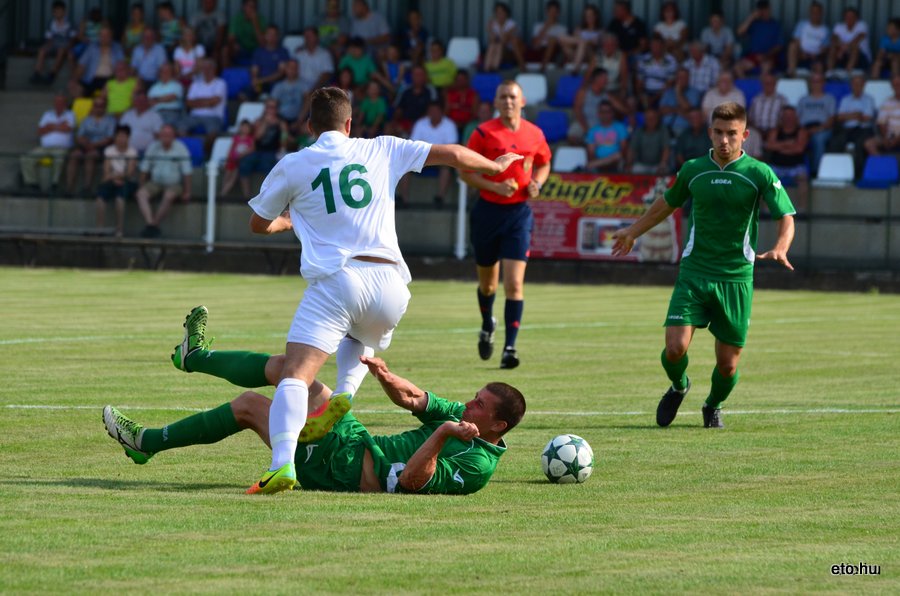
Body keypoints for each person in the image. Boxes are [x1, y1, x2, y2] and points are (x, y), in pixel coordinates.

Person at [242, 86, 524, 494]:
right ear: (349, 123)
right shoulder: (382, 147)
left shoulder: (294, 164)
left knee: (296, 374)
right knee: (360, 338)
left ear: (309, 125)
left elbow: (257, 223)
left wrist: (289, 221)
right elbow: (453, 154)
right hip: (391, 284)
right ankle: (344, 393)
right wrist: (494, 167)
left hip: (340, 278)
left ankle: (282, 464)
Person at [103, 339, 526, 495]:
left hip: (342, 469)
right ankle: (195, 357)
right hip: (355, 438)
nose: (468, 405)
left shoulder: (477, 466)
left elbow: (413, 481)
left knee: (249, 406)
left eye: (479, 404)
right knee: (292, 368)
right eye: (474, 397)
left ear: (498, 426)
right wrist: (384, 375)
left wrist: (444, 434)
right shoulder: (462, 416)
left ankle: (146, 442)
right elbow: (414, 398)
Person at [611, 101, 795, 429]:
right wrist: (632, 231)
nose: (725, 140)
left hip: (736, 278)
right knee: (674, 348)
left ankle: (713, 405)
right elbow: (666, 204)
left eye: (732, 134)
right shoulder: (693, 169)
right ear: (710, 132)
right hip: (694, 273)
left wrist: (781, 246)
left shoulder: (759, 173)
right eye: (719, 132)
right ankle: (679, 385)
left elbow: (786, 216)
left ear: (745, 135)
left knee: (727, 365)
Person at [460, 80, 552, 370]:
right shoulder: (483, 132)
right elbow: (465, 172)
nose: (508, 101)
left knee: (514, 284)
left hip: (519, 215)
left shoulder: (535, 133)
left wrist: (537, 183)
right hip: (487, 213)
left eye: (513, 97)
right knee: (488, 284)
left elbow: (544, 163)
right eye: (503, 97)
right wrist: (495, 187)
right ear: (496, 102)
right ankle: (487, 324)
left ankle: (509, 348)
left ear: (522, 101)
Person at [135, 124, 192, 238]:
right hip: (155, 182)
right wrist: (141, 185)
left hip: (174, 184)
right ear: (159, 136)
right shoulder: (153, 147)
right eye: (163, 134)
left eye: (168, 134)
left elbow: (187, 172)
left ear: (173, 136)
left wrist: (187, 192)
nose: (166, 137)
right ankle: (150, 224)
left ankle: (154, 224)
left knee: (169, 195)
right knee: (140, 194)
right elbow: (144, 169)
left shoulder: (181, 148)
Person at [403, 101, 459, 208]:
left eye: (436, 111)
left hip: (442, 158)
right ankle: (404, 199)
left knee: (446, 167)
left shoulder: (450, 125)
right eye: (431, 111)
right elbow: (412, 145)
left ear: (441, 112)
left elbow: (452, 148)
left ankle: (440, 197)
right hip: (421, 157)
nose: (433, 113)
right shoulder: (420, 123)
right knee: (404, 165)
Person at [20, 94, 74, 192]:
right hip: (44, 147)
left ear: (65, 104)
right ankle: (32, 184)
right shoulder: (47, 114)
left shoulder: (70, 114)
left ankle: (54, 185)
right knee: (26, 159)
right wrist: (59, 126)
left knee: (59, 160)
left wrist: (50, 126)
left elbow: (67, 129)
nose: (58, 104)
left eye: (61, 103)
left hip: (61, 148)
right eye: (57, 102)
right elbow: (40, 131)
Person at [237, 99, 287, 198]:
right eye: (268, 107)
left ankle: (265, 197)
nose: (269, 110)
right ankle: (246, 196)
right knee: (244, 164)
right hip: (257, 151)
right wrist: (265, 123)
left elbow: (284, 140)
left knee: (268, 165)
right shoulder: (258, 121)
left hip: (272, 152)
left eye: (272, 107)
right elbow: (257, 137)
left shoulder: (281, 123)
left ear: (276, 109)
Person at [828, 73, 876, 175]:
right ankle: (835, 172)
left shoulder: (869, 99)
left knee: (860, 144)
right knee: (835, 142)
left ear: (863, 85)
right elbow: (839, 118)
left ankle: (859, 174)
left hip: (864, 130)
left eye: (859, 84)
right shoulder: (845, 99)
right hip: (847, 130)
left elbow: (867, 118)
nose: (857, 86)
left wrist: (848, 116)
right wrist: (856, 115)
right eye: (854, 84)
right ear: (851, 85)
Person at [65, 96, 115, 194]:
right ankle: (69, 188)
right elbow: (79, 136)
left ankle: (87, 188)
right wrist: (85, 143)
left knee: (90, 156)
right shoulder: (86, 119)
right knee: (74, 155)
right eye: (96, 105)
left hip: (102, 147)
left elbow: (109, 138)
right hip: (86, 145)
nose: (98, 108)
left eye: (101, 106)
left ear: (105, 107)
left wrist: (94, 145)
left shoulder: (110, 120)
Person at [764, 106, 809, 211]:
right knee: (766, 180)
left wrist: (779, 147)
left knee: (803, 180)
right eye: (786, 115)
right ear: (781, 117)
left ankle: (802, 210)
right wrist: (788, 144)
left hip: (796, 166)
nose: (788, 118)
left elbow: (799, 149)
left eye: (791, 115)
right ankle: (766, 211)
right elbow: (769, 146)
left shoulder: (801, 131)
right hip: (776, 165)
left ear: (795, 117)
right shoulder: (775, 131)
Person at [96, 125, 137, 237]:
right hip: (111, 180)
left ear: (128, 138)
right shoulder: (109, 150)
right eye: (119, 136)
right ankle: (99, 229)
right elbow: (106, 171)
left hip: (126, 182)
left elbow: (129, 173)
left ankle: (119, 230)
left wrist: (117, 177)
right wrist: (114, 178)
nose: (121, 139)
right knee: (100, 198)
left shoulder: (132, 152)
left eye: (123, 136)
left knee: (120, 199)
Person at [69, 25, 124, 98]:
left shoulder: (117, 47)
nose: (104, 38)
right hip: (91, 78)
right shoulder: (92, 47)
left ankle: (100, 102)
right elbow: (81, 65)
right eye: (102, 35)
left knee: (108, 89)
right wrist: (74, 79)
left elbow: (121, 65)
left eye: (106, 35)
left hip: (109, 79)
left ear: (111, 36)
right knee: (75, 87)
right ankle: (81, 103)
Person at [178, 58, 227, 139]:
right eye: (204, 68)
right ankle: (189, 145)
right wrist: (208, 101)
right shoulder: (195, 84)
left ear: (214, 69)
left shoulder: (220, 83)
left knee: (213, 133)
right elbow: (188, 103)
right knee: (180, 128)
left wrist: (197, 101)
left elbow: (214, 102)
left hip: (213, 116)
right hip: (194, 116)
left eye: (209, 68)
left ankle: (207, 147)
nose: (206, 71)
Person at [797, 72, 835, 173]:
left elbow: (831, 120)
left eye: (818, 81)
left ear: (823, 83)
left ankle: (816, 171)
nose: (816, 84)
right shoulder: (803, 99)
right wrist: (803, 131)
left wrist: (818, 129)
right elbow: (797, 118)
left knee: (818, 139)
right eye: (813, 81)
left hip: (822, 128)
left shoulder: (829, 99)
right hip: (804, 128)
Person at [31, 0, 75, 85]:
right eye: (55, 11)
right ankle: (37, 73)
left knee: (61, 51)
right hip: (54, 43)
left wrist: (69, 47)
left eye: (60, 11)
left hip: (65, 44)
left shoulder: (70, 23)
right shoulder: (51, 23)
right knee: (42, 50)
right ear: (53, 12)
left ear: (64, 12)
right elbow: (49, 38)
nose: (57, 13)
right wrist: (47, 46)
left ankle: (52, 74)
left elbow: (73, 38)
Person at [735, 0, 783, 77]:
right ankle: (746, 84)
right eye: (761, 10)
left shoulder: (775, 25)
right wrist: (751, 17)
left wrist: (766, 55)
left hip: (769, 57)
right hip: (754, 56)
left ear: (770, 9)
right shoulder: (754, 24)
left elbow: (779, 46)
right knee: (737, 67)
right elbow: (739, 32)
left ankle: (760, 85)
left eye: (766, 9)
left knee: (766, 67)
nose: (764, 12)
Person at [786, 1, 830, 78]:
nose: (815, 14)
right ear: (810, 13)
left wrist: (815, 55)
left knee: (819, 67)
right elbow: (796, 40)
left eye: (817, 12)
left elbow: (825, 48)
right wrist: (802, 52)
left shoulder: (825, 29)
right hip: (801, 54)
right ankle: (791, 72)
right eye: (813, 12)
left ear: (821, 13)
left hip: (816, 56)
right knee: (792, 45)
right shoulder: (802, 24)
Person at [584, 100, 629, 173]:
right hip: (598, 162)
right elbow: (591, 153)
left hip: (615, 162)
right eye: (602, 112)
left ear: (612, 113)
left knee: (618, 156)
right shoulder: (593, 130)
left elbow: (623, 149)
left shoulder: (620, 127)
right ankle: (600, 163)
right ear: (598, 114)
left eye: (608, 112)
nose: (605, 114)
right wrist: (601, 161)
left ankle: (600, 163)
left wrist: (602, 162)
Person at [557, 4, 602, 74]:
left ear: (595, 16)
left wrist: (584, 42)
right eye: (586, 15)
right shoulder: (579, 29)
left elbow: (596, 44)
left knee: (583, 43)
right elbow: (571, 44)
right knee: (561, 38)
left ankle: (575, 70)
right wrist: (581, 41)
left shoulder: (600, 31)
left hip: (590, 56)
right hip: (576, 54)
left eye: (590, 15)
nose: (588, 17)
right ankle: (576, 63)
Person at [863, 75, 900, 157]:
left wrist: (897, 139)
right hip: (890, 136)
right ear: (892, 86)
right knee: (869, 144)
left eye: (899, 84)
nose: (897, 87)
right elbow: (881, 123)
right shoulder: (887, 102)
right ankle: (884, 162)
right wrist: (885, 137)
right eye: (895, 85)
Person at [828, 7, 871, 75]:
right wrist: (841, 48)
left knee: (855, 48)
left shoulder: (862, 25)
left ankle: (847, 74)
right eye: (847, 16)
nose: (849, 18)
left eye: (852, 16)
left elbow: (857, 39)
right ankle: (830, 73)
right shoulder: (839, 26)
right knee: (833, 48)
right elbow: (834, 39)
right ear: (844, 17)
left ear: (857, 18)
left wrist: (842, 50)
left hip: (862, 58)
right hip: (844, 55)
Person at [626, 108, 670, 174]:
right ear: (644, 119)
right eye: (648, 118)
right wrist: (629, 164)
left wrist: (662, 164)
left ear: (658, 119)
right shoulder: (639, 131)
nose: (650, 120)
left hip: (658, 165)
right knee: (634, 169)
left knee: (665, 171)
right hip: (641, 164)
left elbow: (666, 149)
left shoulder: (663, 131)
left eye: (653, 118)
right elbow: (632, 149)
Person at [527, 0, 568, 72]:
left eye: (555, 12)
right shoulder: (538, 26)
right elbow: (535, 45)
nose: (552, 14)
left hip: (554, 53)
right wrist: (546, 27)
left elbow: (563, 47)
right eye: (550, 11)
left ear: (558, 13)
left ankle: (542, 69)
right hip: (539, 51)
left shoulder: (562, 29)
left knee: (552, 40)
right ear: (546, 12)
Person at [659, 67, 701, 136]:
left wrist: (678, 92)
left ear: (688, 79)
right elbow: (662, 110)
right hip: (666, 127)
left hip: (684, 129)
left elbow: (688, 109)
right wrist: (677, 110)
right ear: (676, 78)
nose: (681, 80)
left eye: (684, 77)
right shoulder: (668, 92)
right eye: (679, 77)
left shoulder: (694, 92)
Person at [119, 90, 164, 155]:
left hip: (148, 153)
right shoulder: (127, 115)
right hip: (128, 151)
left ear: (147, 102)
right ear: (134, 102)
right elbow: (121, 133)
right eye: (138, 100)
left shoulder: (155, 116)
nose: (140, 103)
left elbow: (158, 135)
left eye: (143, 101)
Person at [483, 2, 524, 72]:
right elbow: (491, 41)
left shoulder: (511, 24)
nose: (499, 14)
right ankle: (487, 68)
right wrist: (490, 30)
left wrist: (500, 28)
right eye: (497, 12)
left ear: (506, 13)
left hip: (511, 51)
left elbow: (504, 40)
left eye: (501, 12)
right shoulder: (494, 24)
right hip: (499, 48)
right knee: (492, 46)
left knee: (499, 46)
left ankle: (494, 68)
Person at [224, 0, 266, 67]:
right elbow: (230, 38)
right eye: (250, 6)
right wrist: (234, 43)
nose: (252, 10)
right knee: (225, 50)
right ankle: (227, 72)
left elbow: (263, 44)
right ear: (243, 7)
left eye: (254, 7)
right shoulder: (237, 19)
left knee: (265, 52)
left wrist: (255, 22)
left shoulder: (261, 19)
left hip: (256, 49)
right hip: (241, 49)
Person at [250, 25, 289, 96]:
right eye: (269, 34)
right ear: (265, 36)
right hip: (260, 84)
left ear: (278, 37)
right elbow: (254, 70)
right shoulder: (258, 52)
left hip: (275, 84)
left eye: (274, 35)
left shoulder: (282, 52)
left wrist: (262, 80)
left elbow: (281, 73)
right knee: (243, 94)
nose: (272, 37)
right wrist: (255, 81)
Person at [220, 120, 254, 196]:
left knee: (232, 179)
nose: (245, 129)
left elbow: (252, 149)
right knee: (226, 177)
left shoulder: (250, 139)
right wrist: (228, 159)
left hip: (239, 162)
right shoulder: (236, 138)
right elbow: (231, 148)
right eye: (243, 127)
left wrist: (243, 154)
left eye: (247, 127)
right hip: (231, 161)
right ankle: (222, 192)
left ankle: (222, 194)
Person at [147, 62, 184, 126]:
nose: (164, 73)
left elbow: (171, 97)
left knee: (166, 127)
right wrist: (163, 99)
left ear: (172, 73)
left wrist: (156, 100)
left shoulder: (177, 85)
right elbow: (149, 101)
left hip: (171, 112)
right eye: (162, 71)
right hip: (155, 113)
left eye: (167, 71)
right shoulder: (154, 87)